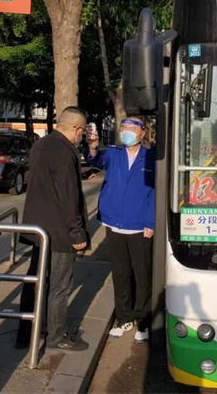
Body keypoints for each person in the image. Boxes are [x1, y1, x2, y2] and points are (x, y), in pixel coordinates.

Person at [16, 106, 90, 351]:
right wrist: (77, 232)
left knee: (36, 281)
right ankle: (57, 336)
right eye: (83, 131)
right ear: (77, 129)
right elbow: (68, 195)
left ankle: (26, 333)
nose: (82, 136)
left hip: (38, 228)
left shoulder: (41, 144)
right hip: (60, 232)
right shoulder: (65, 151)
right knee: (60, 285)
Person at [86, 117, 155, 342]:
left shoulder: (151, 157)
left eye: (132, 129)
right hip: (114, 223)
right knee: (120, 273)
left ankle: (143, 321)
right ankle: (123, 318)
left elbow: (155, 192)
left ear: (142, 133)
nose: (126, 132)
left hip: (140, 226)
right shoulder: (113, 153)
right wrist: (92, 146)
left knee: (142, 274)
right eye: (124, 128)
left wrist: (151, 222)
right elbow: (96, 160)